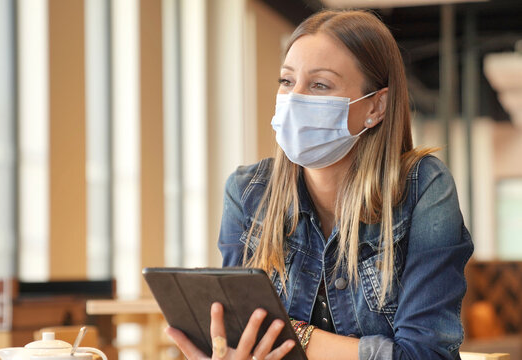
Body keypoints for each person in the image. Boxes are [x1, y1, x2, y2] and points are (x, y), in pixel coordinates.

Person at [167, 8, 474, 360]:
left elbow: (426, 355)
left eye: (319, 84)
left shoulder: (423, 188)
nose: (294, 98)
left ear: (376, 106)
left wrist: (296, 335)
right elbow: (240, 336)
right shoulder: (248, 191)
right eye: (286, 81)